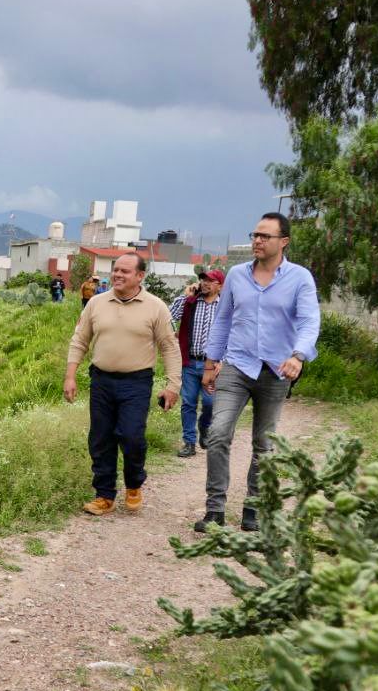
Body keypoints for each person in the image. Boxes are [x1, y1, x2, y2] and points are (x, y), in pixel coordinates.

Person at [195, 213, 320, 533]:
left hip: (277, 370)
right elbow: (222, 320)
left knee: (264, 443)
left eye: (265, 236)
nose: (257, 241)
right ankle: (215, 509)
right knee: (218, 432)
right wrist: (210, 364)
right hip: (237, 365)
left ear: (284, 242)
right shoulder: (236, 275)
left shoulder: (300, 278)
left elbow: (309, 322)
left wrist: (298, 355)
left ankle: (254, 507)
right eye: (255, 235)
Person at [64, 253, 181, 516]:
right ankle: (104, 495)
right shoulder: (95, 303)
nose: (117, 275)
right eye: (116, 270)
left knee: (131, 436)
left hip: (136, 383)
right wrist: (70, 376)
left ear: (140, 276)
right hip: (101, 380)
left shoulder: (156, 307)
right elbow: (79, 341)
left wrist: (172, 386)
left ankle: (134, 483)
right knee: (100, 438)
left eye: (125, 271)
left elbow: (169, 348)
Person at [169, 269, 224, 458]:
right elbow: (170, 316)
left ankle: (205, 426)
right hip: (190, 362)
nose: (205, 283)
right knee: (188, 403)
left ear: (220, 285)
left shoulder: (225, 305)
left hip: (213, 366)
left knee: (210, 403)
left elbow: (232, 335)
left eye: (210, 280)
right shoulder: (191, 302)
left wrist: (222, 361)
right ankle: (189, 442)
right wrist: (185, 296)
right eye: (203, 279)